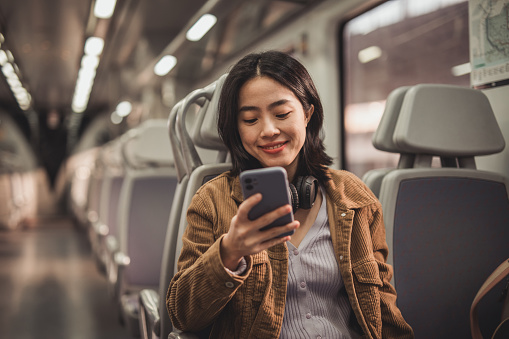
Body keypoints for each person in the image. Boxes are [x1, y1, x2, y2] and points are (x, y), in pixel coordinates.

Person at [167, 50, 414, 339]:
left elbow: (382, 307)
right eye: (250, 120)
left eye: (282, 114)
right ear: (236, 128)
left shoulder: (354, 196)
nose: (269, 130)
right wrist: (230, 251)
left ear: (307, 113)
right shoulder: (212, 200)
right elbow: (183, 315)